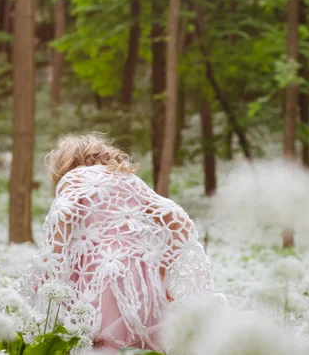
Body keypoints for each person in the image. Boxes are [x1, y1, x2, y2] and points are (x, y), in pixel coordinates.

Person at [29, 133, 214, 351]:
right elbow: (180, 223)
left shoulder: (73, 179)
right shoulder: (127, 179)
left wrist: (46, 276)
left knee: (102, 345)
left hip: (99, 279)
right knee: (140, 346)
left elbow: (61, 221)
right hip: (142, 281)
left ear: (66, 164)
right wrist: (161, 272)